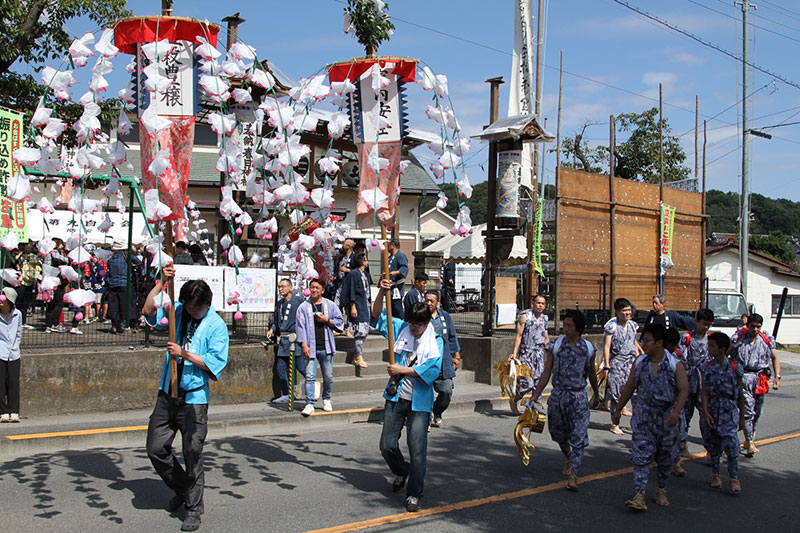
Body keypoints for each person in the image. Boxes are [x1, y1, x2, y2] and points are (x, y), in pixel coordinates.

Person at [145, 269, 229, 532]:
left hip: (194, 398)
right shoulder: (178, 311)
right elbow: (148, 311)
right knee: (155, 448)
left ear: (206, 304)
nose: (190, 311)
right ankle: (183, 489)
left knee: (192, 453)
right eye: (188, 307)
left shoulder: (216, 326)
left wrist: (185, 354)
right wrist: (160, 282)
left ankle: (194, 508)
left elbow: (215, 363)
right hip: (167, 392)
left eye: (195, 309)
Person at [372, 278, 443, 513]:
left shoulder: (436, 340)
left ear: (426, 322)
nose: (413, 328)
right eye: (411, 323)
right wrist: (382, 293)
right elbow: (376, 316)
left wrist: (402, 370)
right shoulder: (401, 328)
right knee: (387, 445)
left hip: (420, 403)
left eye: (417, 325)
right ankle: (402, 470)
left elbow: (431, 370)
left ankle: (414, 494)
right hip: (396, 397)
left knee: (418, 449)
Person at [613, 323, 688, 511]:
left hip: (666, 417)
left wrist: (676, 412)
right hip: (644, 415)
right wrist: (618, 410)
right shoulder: (639, 363)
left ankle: (661, 489)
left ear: (659, 343)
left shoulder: (674, 364)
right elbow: (630, 386)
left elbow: (684, 390)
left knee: (665, 457)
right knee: (641, 456)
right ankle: (639, 494)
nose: (643, 344)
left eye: (647, 340)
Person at [531, 309, 600, 491]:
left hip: (578, 396)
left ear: (579, 328)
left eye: (569, 325)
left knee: (578, 434)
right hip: (558, 395)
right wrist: (535, 395)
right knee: (557, 432)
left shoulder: (588, 348)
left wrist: (597, 394)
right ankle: (569, 457)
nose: (566, 328)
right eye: (565, 325)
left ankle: (574, 474)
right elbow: (547, 371)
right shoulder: (555, 346)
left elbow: (592, 372)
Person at [730, 313, 781, 457]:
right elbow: (727, 353)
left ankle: (749, 437)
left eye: (758, 327)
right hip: (743, 377)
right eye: (753, 326)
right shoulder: (738, 338)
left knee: (758, 411)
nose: (755, 329)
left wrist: (777, 376)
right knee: (748, 411)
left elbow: (775, 357)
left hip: (760, 378)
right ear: (748, 325)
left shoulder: (766, 338)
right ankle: (749, 441)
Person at [702, 332, 744, 495]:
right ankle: (716, 474)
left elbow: (740, 394)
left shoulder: (734, 367)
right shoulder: (707, 367)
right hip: (713, 409)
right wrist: (705, 412)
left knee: (732, 446)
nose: (709, 348)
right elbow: (704, 392)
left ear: (722, 349)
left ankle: (734, 478)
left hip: (728, 411)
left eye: (712, 346)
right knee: (713, 446)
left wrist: (741, 417)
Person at [295, 278, 344, 416]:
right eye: (312, 287)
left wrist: (327, 320)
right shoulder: (303, 307)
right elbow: (300, 327)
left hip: (326, 346)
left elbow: (340, 322)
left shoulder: (330, 305)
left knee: (328, 376)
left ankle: (327, 398)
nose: (314, 290)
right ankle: (309, 403)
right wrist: (304, 345)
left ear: (322, 290)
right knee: (310, 376)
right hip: (310, 347)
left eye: (317, 287)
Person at [675, 308, 714, 460]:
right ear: (697, 322)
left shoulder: (711, 339)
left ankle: (710, 449)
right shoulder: (687, 337)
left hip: (705, 382)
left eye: (708, 325)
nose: (705, 327)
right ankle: (683, 444)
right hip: (689, 379)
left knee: (706, 415)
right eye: (703, 324)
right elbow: (680, 356)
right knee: (685, 414)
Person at [603, 298, 643, 435]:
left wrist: (639, 358)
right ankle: (615, 424)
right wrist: (607, 365)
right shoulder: (612, 326)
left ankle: (637, 424)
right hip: (617, 362)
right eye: (624, 310)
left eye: (629, 310)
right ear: (617, 312)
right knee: (616, 394)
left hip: (631, 362)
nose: (627, 313)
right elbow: (607, 346)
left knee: (636, 393)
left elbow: (633, 342)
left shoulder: (633, 325)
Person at [424, 290, 461, 428]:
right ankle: (425, 419)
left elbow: (452, 336)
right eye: (426, 300)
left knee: (446, 391)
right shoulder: (421, 315)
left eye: (431, 301)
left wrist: (456, 355)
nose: (428, 303)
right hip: (426, 362)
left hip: (443, 361)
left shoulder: (444, 316)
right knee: (425, 393)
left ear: (438, 302)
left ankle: (437, 411)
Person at [509, 294, 550, 414]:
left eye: (543, 304)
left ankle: (535, 409)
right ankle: (515, 398)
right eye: (538, 303)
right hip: (526, 354)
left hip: (539, 354)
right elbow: (519, 335)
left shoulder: (544, 319)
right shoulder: (525, 317)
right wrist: (514, 354)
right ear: (533, 304)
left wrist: (550, 353)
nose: (540, 306)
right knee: (527, 383)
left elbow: (546, 337)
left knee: (538, 384)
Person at [266, 279, 304, 404]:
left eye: (283, 286)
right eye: (279, 287)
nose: (280, 289)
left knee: (301, 367)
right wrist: (272, 330)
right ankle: (286, 394)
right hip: (283, 340)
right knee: (280, 368)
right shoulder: (279, 304)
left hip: (294, 339)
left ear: (290, 287)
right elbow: (277, 321)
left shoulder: (298, 301)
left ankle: (312, 386)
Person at [341, 253, 371, 369]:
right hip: (357, 304)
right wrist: (352, 306)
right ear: (362, 261)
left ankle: (357, 355)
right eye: (365, 259)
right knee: (360, 330)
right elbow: (351, 290)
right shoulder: (353, 274)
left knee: (365, 329)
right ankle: (358, 355)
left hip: (365, 304)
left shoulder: (365, 275)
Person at [106, 243, 142, 334]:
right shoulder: (127, 255)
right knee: (128, 305)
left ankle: (115, 325)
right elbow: (139, 262)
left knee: (114, 305)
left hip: (112, 283)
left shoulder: (110, 256)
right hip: (124, 283)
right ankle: (131, 325)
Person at [0, 288, 22, 423]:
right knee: (1, 382)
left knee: (13, 382)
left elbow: (18, 332)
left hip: (13, 352)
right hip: (1, 351)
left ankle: (14, 410)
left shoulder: (17, 314)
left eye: (4, 302)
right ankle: (3, 411)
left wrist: (16, 347)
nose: (1, 304)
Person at [43, 238, 69, 333]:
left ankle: (48, 325)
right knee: (57, 304)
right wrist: (67, 259)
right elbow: (63, 259)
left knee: (49, 304)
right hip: (55, 280)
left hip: (48, 281)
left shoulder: (46, 253)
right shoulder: (53, 252)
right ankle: (55, 324)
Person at [16, 243, 40, 330]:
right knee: (19, 302)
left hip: (29, 281)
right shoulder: (18, 255)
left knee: (25, 303)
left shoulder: (32, 256)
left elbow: (36, 261)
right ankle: (18, 321)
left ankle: (23, 322)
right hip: (21, 281)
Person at [387, 238, 409, 320]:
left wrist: (396, 272)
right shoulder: (389, 258)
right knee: (391, 308)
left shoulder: (401, 255)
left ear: (392, 246)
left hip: (397, 286)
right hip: (390, 285)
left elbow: (404, 267)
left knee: (397, 307)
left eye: (388, 246)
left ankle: (401, 323)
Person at [334, 239, 355, 306]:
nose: (342, 246)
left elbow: (359, 271)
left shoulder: (355, 258)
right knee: (337, 304)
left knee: (347, 304)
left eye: (344, 244)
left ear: (348, 246)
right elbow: (337, 269)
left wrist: (348, 270)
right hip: (339, 284)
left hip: (349, 284)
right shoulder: (341, 258)